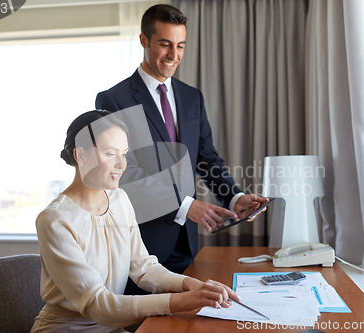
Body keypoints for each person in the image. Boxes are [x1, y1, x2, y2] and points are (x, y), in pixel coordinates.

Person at [95, 4, 268, 281]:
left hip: (187, 243)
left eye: (181, 46)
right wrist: (186, 206)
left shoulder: (192, 97)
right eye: (165, 44)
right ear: (144, 40)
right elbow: (125, 172)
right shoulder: (114, 100)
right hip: (142, 244)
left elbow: (206, 158)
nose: (174, 55)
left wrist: (233, 198)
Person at [31, 110, 239, 333]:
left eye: (124, 154)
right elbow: (97, 305)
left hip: (111, 327)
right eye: (111, 154)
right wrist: (181, 301)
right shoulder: (54, 219)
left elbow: (143, 268)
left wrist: (190, 285)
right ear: (80, 155)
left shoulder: (119, 198)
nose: (122, 164)